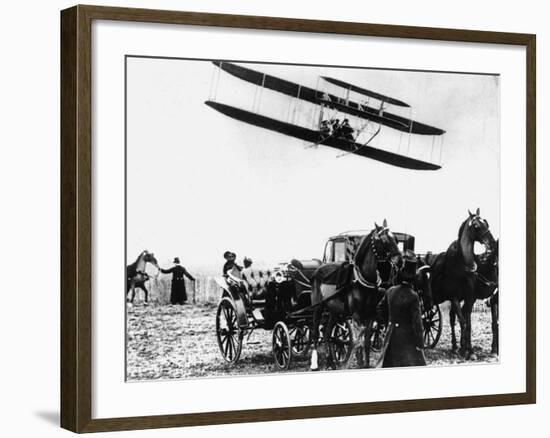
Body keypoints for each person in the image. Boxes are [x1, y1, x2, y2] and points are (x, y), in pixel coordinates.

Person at [376, 250, 426, 368]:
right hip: (407, 339)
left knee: (387, 365)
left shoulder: (390, 291)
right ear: (413, 279)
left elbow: (379, 309)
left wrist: (387, 323)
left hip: (390, 335)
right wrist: (420, 343)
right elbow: (417, 323)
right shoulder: (413, 296)